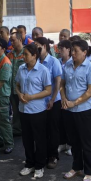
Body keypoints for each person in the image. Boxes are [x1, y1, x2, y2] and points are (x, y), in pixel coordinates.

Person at [60, 40, 91, 181]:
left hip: (84, 110)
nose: (73, 53)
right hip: (69, 109)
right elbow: (62, 83)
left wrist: (75, 102)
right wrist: (63, 97)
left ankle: (90, 171)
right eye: (72, 50)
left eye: (76, 51)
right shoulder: (67, 65)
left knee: (86, 142)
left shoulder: (90, 68)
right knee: (74, 141)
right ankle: (76, 167)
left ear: (84, 52)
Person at [16, 43, 52, 179]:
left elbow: (48, 90)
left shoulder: (43, 70)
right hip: (23, 109)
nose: (23, 57)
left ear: (34, 55)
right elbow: (17, 85)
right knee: (27, 139)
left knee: (39, 139)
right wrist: (19, 94)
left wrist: (32, 97)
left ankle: (39, 165)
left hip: (37, 110)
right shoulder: (21, 68)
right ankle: (29, 163)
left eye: (26, 54)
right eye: (23, 54)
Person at [35, 37, 63, 169]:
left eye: (38, 46)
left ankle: (53, 155)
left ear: (45, 46)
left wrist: (52, 99)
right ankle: (43, 154)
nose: (36, 49)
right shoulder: (35, 61)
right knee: (41, 129)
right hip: (40, 102)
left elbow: (58, 82)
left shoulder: (53, 61)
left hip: (53, 101)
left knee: (53, 129)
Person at [56, 39, 73, 156]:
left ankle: (71, 144)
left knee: (70, 122)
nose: (59, 51)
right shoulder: (57, 62)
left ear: (68, 50)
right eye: (59, 48)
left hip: (69, 96)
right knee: (60, 121)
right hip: (58, 96)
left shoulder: (72, 62)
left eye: (62, 49)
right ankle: (62, 143)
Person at [7, 32, 26, 136]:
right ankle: (17, 129)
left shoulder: (26, 53)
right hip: (12, 87)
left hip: (23, 88)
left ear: (20, 40)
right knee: (15, 110)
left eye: (13, 40)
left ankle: (26, 128)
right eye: (10, 40)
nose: (11, 42)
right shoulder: (10, 54)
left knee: (25, 109)